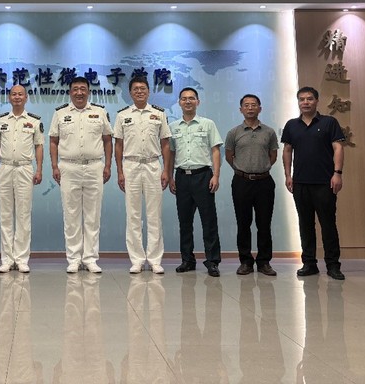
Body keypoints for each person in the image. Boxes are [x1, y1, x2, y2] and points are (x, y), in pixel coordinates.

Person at [49, 76, 113, 274]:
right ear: (70, 92)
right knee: (71, 215)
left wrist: (108, 165)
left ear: (88, 91)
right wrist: (54, 166)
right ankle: (74, 258)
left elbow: (107, 140)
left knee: (93, 215)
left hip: (94, 167)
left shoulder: (100, 112)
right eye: (75, 89)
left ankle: (91, 258)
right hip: (69, 167)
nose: (79, 92)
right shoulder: (60, 113)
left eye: (83, 89)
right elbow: (53, 141)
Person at [282, 86, 346, 280]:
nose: (305, 102)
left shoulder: (329, 122)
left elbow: (338, 148)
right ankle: (309, 264)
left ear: (317, 101)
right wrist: (288, 175)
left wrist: (337, 173)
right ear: (298, 102)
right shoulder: (291, 125)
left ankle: (333, 265)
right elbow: (287, 150)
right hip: (300, 183)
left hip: (325, 183)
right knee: (305, 225)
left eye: (309, 99)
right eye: (302, 99)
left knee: (328, 224)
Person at [113, 76, 172, 274]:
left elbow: (165, 143)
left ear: (148, 91)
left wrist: (166, 170)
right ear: (130, 93)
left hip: (153, 165)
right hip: (130, 166)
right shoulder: (122, 115)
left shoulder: (158, 113)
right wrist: (120, 171)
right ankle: (137, 259)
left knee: (154, 215)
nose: (139, 91)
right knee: (133, 215)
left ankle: (155, 259)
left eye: (143, 88)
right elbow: (118, 145)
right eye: (136, 89)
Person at [168, 87, 223, 277]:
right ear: (179, 103)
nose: (188, 101)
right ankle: (187, 260)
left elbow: (215, 150)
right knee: (184, 222)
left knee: (209, 221)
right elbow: (171, 153)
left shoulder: (207, 124)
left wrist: (216, 175)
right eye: (184, 99)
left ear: (198, 102)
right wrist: (170, 176)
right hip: (182, 177)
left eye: (191, 98)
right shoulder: (173, 127)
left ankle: (212, 261)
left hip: (203, 176)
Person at [0, 84, 44, 274]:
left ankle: (21, 259)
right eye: (14, 94)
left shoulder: (34, 121)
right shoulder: (1, 120)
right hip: (5, 168)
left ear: (26, 98)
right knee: (5, 215)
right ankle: (6, 259)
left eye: (21, 94)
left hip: (24, 169)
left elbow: (39, 146)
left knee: (23, 214)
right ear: (9, 97)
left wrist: (39, 169)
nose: (17, 97)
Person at [224, 94, 279, 277]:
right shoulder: (234, 132)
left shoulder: (269, 132)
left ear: (259, 108)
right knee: (243, 223)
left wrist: (260, 168)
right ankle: (246, 262)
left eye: (253, 105)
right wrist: (243, 170)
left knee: (264, 224)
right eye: (246, 105)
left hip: (264, 182)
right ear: (241, 109)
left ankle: (264, 262)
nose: (250, 108)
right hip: (241, 182)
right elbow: (229, 156)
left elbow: (273, 156)